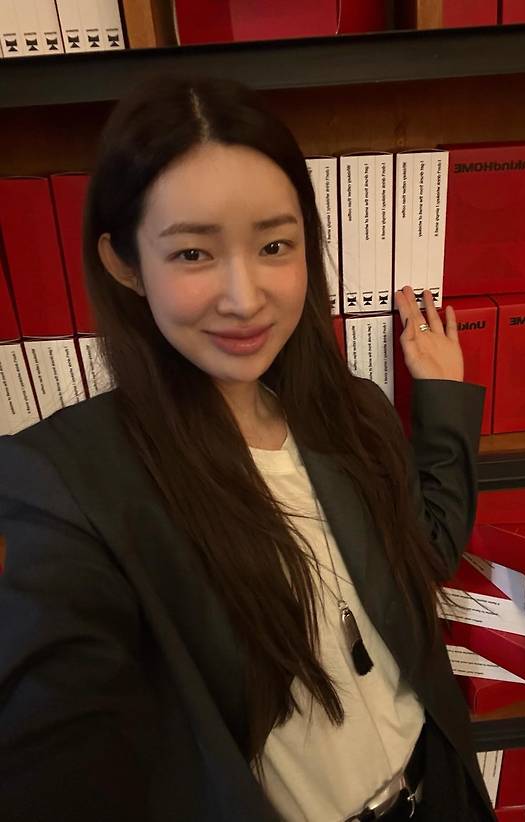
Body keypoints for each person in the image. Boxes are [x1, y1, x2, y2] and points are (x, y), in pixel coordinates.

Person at [0, 76, 495, 821]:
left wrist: (443, 399)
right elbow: (58, 737)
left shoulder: (352, 411)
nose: (245, 297)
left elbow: (426, 553)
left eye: (273, 245)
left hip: (440, 792)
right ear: (125, 264)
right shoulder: (63, 487)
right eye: (193, 253)